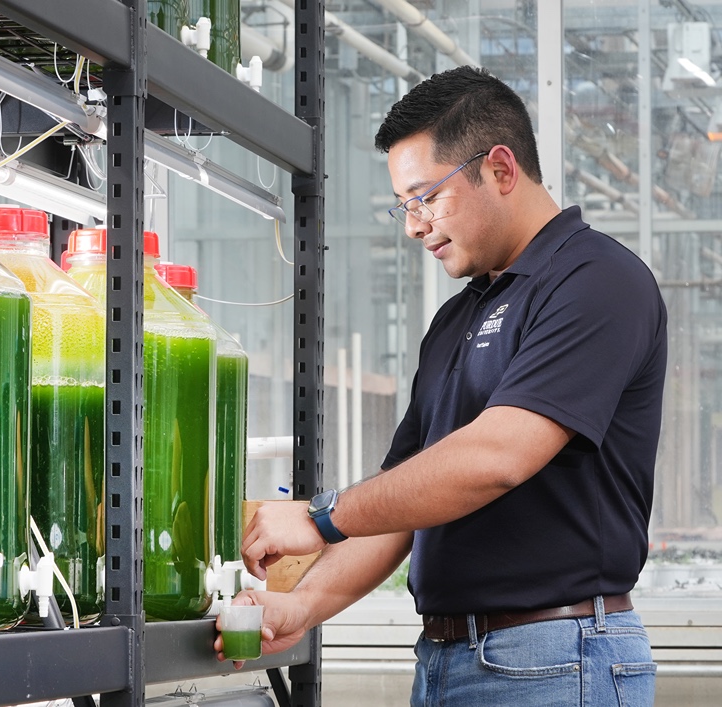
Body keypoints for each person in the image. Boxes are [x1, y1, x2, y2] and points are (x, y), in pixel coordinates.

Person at [215, 66, 667, 706]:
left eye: (426, 196)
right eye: (404, 205)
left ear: (501, 169)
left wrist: (320, 516)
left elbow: (497, 458)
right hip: (448, 662)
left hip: (558, 661)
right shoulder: (458, 317)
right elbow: (401, 504)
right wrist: (302, 605)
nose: (414, 224)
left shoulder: (596, 280)